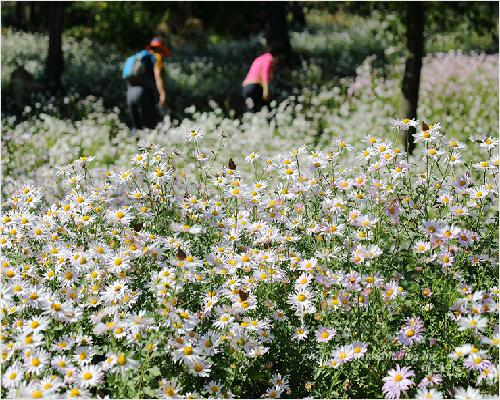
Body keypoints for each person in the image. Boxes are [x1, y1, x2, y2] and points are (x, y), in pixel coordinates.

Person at [126, 37, 169, 131]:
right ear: (161, 48)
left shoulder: (139, 56)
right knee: (148, 127)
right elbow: (158, 76)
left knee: (136, 128)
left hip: (130, 92)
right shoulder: (156, 57)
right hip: (143, 93)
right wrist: (162, 94)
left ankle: (134, 144)